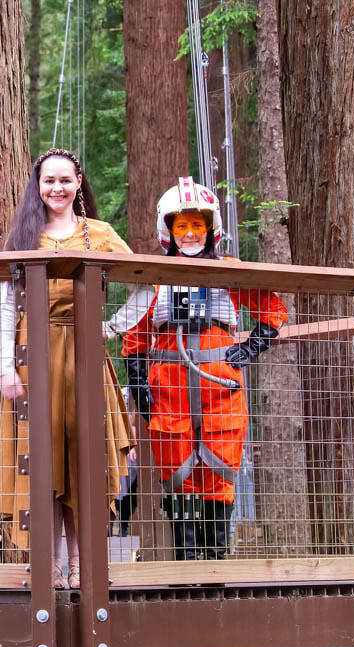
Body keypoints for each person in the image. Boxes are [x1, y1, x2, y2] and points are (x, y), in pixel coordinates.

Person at [121, 176, 287, 561]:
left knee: (221, 475)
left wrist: (253, 346)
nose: (191, 234)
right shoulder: (153, 276)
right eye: (182, 226)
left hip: (220, 391)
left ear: (211, 229)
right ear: (169, 230)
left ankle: (215, 566)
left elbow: (273, 307)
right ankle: (186, 567)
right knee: (177, 478)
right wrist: (138, 384)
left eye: (198, 225)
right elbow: (136, 335)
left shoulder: (229, 271)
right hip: (168, 393)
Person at [0, 147, 134, 588]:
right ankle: (49, 563)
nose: (57, 188)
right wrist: (3, 366)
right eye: (48, 180)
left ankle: (80, 564)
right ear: (38, 185)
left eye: (65, 180)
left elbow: (149, 281)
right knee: (41, 459)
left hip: (85, 356)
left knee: (83, 456)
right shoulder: (24, 234)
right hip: (32, 356)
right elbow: (6, 301)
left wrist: (113, 325)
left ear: (78, 182)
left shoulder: (100, 233)